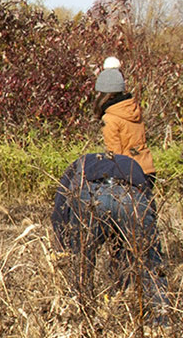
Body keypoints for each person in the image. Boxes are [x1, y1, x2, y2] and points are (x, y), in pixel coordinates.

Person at [51, 151, 167, 320]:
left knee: (82, 261)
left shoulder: (78, 165)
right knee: (149, 261)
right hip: (132, 196)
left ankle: (79, 318)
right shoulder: (131, 163)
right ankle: (160, 319)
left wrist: (63, 247)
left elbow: (60, 207)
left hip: (90, 196)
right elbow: (148, 203)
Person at [93, 56, 156, 188]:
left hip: (130, 173)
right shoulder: (133, 108)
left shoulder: (110, 119)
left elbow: (115, 155)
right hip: (147, 169)